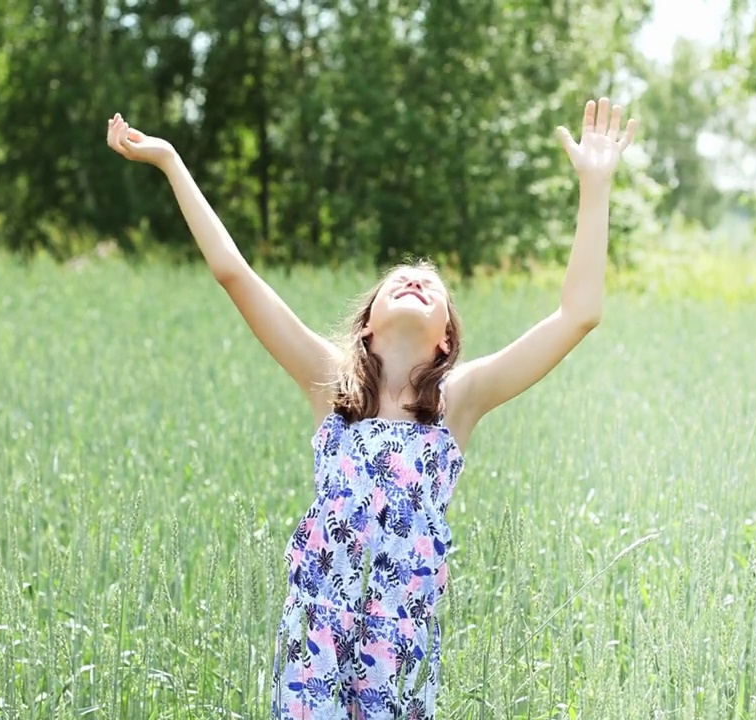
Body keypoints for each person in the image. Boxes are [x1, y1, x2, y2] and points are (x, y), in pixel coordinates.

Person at [105, 97, 638, 719]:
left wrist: (595, 186)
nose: (417, 280)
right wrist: (171, 162)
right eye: (400, 280)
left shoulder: (457, 402)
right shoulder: (329, 386)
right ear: (366, 328)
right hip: (317, 635)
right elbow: (235, 274)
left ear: (445, 338)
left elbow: (580, 314)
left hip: (402, 643)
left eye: (432, 287)